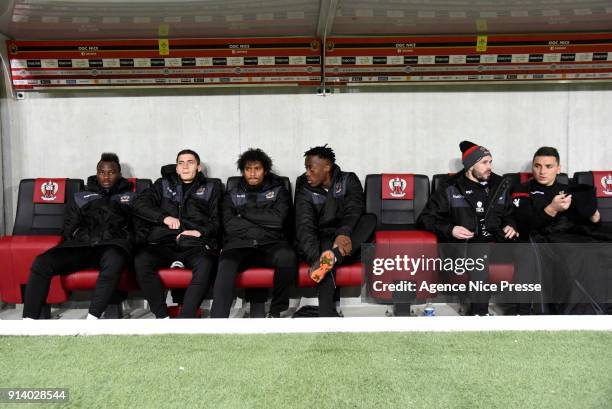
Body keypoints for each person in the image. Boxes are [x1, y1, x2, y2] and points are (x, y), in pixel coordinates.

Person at [23, 153, 137, 319]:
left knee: (115, 258)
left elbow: (137, 228)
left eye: (111, 172)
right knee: (42, 262)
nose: (106, 176)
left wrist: (122, 238)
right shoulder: (81, 196)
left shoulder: (131, 198)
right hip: (82, 246)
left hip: (112, 247)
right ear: (96, 173)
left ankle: (92, 317)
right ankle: (29, 319)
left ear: (119, 174)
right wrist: (85, 236)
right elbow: (69, 228)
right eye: (101, 172)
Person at [417, 141, 518, 315]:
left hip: (497, 241)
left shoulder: (500, 184)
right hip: (466, 245)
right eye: (484, 163)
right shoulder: (450, 187)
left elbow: (509, 213)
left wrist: (511, 225)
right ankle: (479, 315)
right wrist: (451, 229)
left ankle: (525, 315)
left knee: (530, 250)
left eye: (490, 162)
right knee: (479, 254)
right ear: (470, 166)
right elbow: (425, 218)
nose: (490, 167)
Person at [512, 146, 612, 314]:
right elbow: (523, 225)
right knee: (582, 255)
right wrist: (552, 208)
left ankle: (604, 306)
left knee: (604, 249)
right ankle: (580, 311)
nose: (542, 171)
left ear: (558, 168)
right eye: (537, 166)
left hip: (570, 235)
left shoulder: (568, 190)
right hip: (543, 238)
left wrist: (594, 216)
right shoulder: (523, 190)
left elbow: (587, 225)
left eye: (548, 166)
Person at [133, 149, 220, 318]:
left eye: (190, 162)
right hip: (164, 243)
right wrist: (163, 218)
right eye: (181, 163)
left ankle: (186, 317)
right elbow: (139, 205)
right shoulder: (162, 184)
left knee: (206, 263)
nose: (185, 167)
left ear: (199, 167)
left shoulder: (211, 187)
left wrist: (199, 231)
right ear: (177, 168)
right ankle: (162, 316)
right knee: (141, 259)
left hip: (193, 244)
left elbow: (217, 221)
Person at [210, 149, 296, 318]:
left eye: (257, 168)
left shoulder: (279, 191)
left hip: (270, 245)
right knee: (225, 260)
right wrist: (264, 222)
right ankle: (218, 320)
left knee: (287, 256)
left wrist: (243, 213)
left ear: (265, 170)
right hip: (239, 246)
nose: (252, 173)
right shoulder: (232, 194)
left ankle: (276, 311)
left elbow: (278, 221)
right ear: (243, 171)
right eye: (248, 169)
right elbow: (230, 226)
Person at [294, 145, 376, 317]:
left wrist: (343, 233)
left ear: (327, 167)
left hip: (348, 238)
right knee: (325, 256)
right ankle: (326, 313)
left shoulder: (348, 179)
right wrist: (316, 259)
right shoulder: (304, 188)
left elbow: (354, 209)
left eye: (311, 168)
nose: (307, 173)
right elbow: (304, 226)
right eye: (306, 168)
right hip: (322, 239)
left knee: (369, 219)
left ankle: (334, 256)